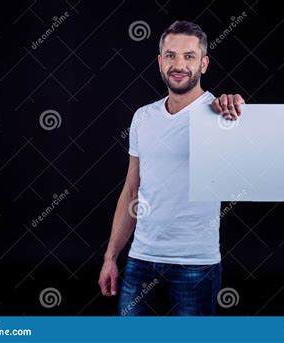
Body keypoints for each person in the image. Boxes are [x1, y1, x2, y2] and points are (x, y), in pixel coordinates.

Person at [98, 20, 245, 316]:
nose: (179, 64)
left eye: (189, 56)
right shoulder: (143, 117)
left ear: (203, 64)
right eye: (171, 55)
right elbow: (131, 190)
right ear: (160, 62)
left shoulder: (223, 115)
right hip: (140, 261)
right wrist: (111, 256)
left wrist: (236, 112)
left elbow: (250, 165)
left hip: (196, 266)